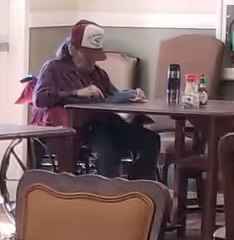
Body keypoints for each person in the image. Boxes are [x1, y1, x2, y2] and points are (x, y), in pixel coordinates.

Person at [27, 20, 161, 180]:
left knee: (150, 139)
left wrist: (131, 95)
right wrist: (77, 93)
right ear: (73, 50)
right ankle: (107, 191)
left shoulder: (98, 73)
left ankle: (139, 185)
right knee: (108, 149)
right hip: (79, 127)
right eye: (88, 56)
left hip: (106, 122)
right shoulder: (53, 68)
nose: (93, 61)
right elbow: (40, 98)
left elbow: (112, 95)